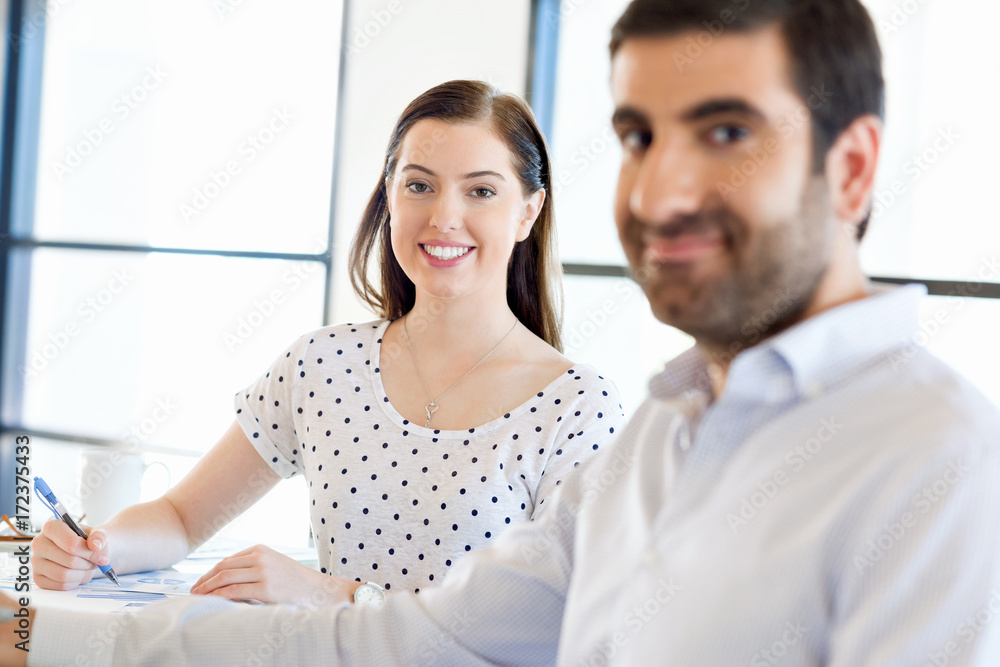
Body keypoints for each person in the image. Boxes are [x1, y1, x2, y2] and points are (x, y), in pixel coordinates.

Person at [6, 0, 1000, 664]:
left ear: (855, 170)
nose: (658, 189)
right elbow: (422, 636)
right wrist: (47, 636)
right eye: (637, 138)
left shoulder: (931, 447)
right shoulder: (667, 430)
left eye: (726, 132)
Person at [25, 80, 623, 606]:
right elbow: (180, 518)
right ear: (390, 195)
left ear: (528, 211)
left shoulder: (577, 407)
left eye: (482, 191)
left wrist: (332, 595)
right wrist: (97, 548)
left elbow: (560, 623)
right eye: (419, 185)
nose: (444, 216)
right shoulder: (322, 365)